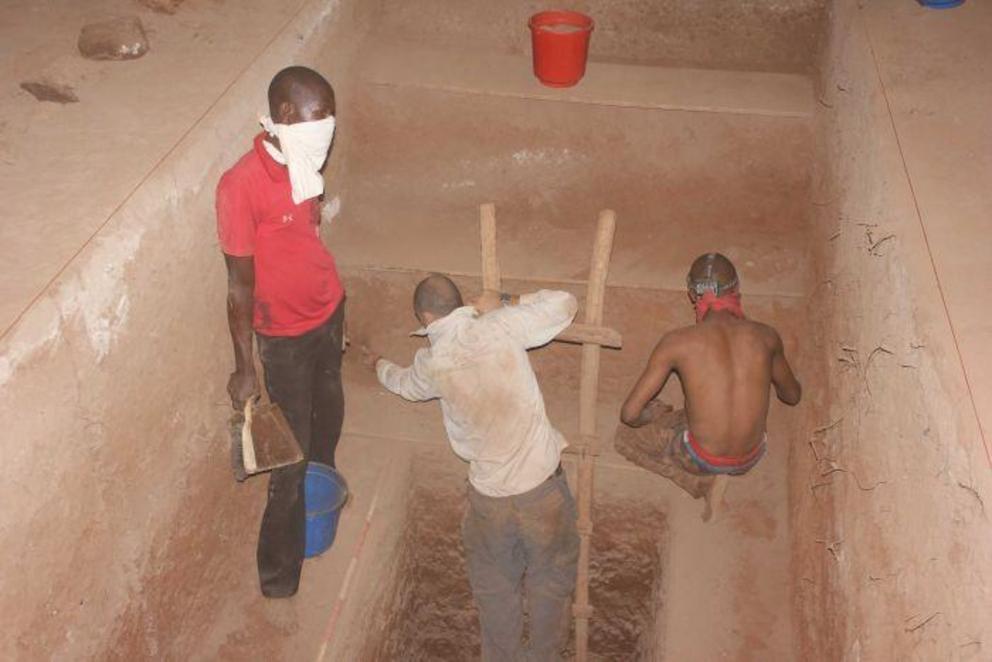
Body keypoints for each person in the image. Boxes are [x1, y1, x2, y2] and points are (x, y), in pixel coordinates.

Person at [363, 275, 580, 661]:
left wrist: (378, 365)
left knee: (496, 591)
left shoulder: (433, 362)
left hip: (490, 501)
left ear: (425, 317)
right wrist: (505, 300)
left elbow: (404, 384)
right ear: (462, 304)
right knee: (551, 583)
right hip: (543, 488)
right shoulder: (501, 326)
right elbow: (565, 303)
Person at [215, 66, 345, 598]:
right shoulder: (240, 185)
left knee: (329, 419)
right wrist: (245, 367)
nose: (327, 132)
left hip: (329, 313)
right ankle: (278, 577)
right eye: (319, 119)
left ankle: (322, 505)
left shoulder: (304, 162)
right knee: (289, 462)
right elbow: (239, 287)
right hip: (285, 339)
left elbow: (307, 239)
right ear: (285, 116)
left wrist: (336, 311)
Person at [616, 253, 801, 520]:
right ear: (736, 289)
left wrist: (649, 416)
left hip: (701, 459)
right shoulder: (766, 336)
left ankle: (702, 484)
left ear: (692, 294)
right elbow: (792, 396)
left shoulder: (677, 342)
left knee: (625, 437)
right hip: (753, 455)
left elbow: (629, 415)